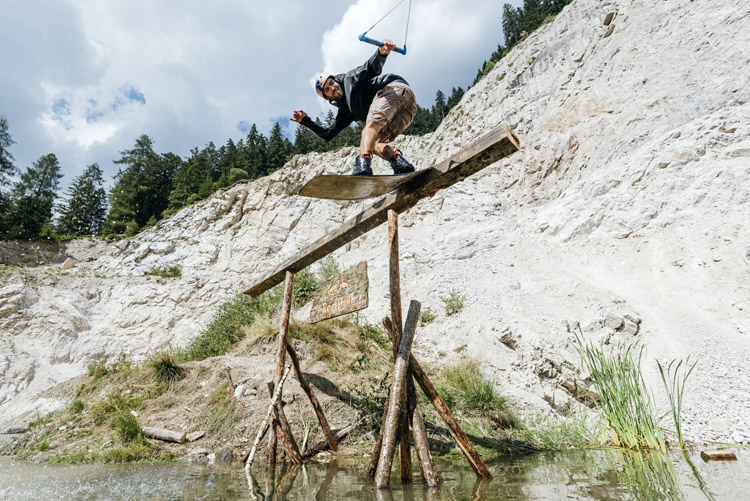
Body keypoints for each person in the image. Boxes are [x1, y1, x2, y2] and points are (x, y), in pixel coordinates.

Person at [291, 39, 417, 176]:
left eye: (332, 83)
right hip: (408, 108)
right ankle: (400, 164)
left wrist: (381, 54)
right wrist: (305, 121)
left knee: (369, 129)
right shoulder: (345, 112)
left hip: (394, 90)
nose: (333, 88)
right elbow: (328, 133)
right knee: (374, 143)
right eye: (328, 89)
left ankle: (363, 165)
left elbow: (369, 68)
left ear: (336, 80)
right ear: (327, 98)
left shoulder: (349, 79)